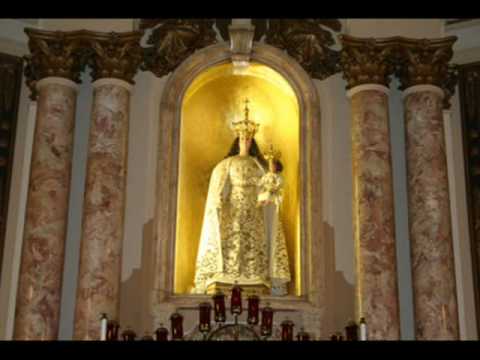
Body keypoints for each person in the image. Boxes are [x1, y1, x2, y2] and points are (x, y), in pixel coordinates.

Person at [192, 100, 290, 295]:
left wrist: (268, 192)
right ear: (237, 140)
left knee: (254, 244)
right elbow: (219, 188)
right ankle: (229, 274)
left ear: (252, 141)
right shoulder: (227, 164)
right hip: (233, 210)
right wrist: (220, 203)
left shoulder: (259, 165)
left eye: (248, 138)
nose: (245, 140)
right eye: (242, 137)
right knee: (232, 243)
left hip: (254, 212)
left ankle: (254, 275)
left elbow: (267, 189)